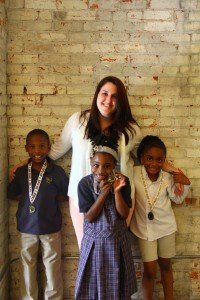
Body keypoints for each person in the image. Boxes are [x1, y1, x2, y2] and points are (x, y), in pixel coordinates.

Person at [10, 76, 142, 248]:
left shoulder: (130, 128)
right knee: (86, 249)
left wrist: (168, 168)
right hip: (83, 197)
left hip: (119, 197)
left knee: (115, 251)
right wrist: (26, 162)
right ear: (97, 94)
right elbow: (57, 150)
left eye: (115, 96)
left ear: (121, 100)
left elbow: (145, 155)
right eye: (105, 93)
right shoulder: (78, 121)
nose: (108, 100)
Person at [7, 129, 69, 300]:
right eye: (33, 147)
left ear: (49, 148)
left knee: (52, 266)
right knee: (27, 266)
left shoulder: (57, 172)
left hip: (51, 228)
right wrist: (28, 199)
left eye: (42, 146)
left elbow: (66, 195)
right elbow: (11, 193)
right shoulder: (21, 172)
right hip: (26, 227)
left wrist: (53, 197)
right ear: (26, 148)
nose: (37, 151)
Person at [75, 138, 137, 299]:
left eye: (107, 166)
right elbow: (89, 217)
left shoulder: (122, 181)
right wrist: (103, 194)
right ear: (90, 163)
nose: (101, 170)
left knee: (118, 287)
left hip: (117, 242)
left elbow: (124, 214)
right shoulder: (84, 184)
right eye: (96, 165)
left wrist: (116, 191)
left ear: (114, 165)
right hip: (95, 243)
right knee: (94, 287)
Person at [129, 135, 190, 300]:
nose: (154, 164)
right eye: (149, 158)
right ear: (141, 158)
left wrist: (181, 179)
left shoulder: (167, 177)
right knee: (149, 270)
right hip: (144, 229)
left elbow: (177, 199)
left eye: (159, 160)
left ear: (164, 161)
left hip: (166, 228)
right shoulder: (134, 173)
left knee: (165, 266)